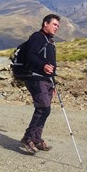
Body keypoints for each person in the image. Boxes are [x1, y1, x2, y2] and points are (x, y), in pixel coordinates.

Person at [20, 13, 60, 154]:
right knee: (43, 107)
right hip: (35, 78)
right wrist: (42, 65)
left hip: (46, 79)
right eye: (54, 24)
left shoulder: (49, 41)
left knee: (46, 109)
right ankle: (28, 138)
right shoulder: (37, 37)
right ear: (45, 23)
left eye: (58, 26)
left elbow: (51, 66)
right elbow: (30, 56)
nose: (57, 28)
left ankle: (36, 139)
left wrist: (53, 83)